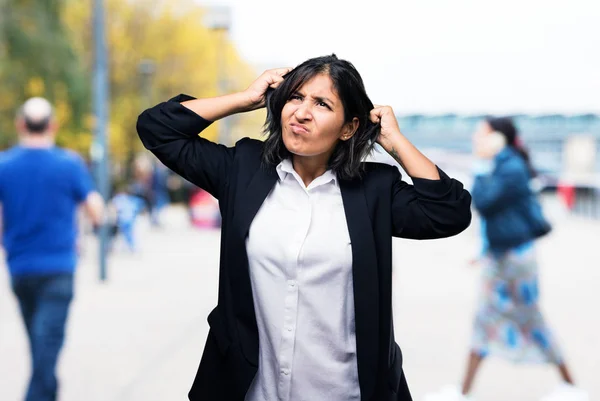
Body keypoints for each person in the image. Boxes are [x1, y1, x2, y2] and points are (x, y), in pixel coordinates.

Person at [137, 54, 472, 401]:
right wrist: (245, 99)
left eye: (322, 103)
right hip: (250, 391)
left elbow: (448, 211)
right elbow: (157, 128)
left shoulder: (373, 190)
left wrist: (395, 142)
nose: (302, 112)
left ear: (349, 127)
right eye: (295, 97)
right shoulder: (243, 168)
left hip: (345, 392)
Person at [423, 117, 588, 401]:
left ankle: (571, 386)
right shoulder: (504, 165)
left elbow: (485, 201)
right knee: (489, 320)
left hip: (514, 260)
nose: (476, 139)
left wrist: (481, 164)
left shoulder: (509, 167)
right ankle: (463, 391)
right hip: (503, 257)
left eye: (482, 134)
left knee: (529, 319)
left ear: (498, 138)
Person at [0, 97, 104, 401]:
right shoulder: (69, 164)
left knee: (39, 347)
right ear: (53, 126)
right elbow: (96, 209)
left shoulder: (4, 165)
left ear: (21, 124)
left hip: (20, 268)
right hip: (58, 268)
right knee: (46, 351)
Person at [108, 183, 145, 252]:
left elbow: (113, 209)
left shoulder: (117, 199)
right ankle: (132, 247)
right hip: (129, 220)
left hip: (121, 220)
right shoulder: (132, 199)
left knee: (115, 235)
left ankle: (111, 247)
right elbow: (140, 207)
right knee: (128, 234)